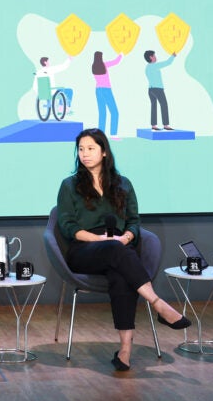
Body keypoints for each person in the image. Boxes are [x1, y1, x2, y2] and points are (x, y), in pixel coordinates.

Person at [56, 128, 190, 371]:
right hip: (85, 250)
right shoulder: (70, 185)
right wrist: (103, 242)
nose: (84, 154)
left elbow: (134, 222)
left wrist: (126, 238)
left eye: (91, 149)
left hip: (119, 248)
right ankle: (158, 303)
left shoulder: (123, 184)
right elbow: (67, 226)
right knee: (115, 253)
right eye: (81, 149)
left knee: (121, 275)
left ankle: (125, 351)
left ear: (104, 151)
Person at [91, 51, 122, 138]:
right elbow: (116, 61)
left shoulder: (93, 67)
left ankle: (101, 134)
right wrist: (121, 54)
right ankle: (113, 134)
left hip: (98, 90)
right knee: (114, 112)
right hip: (106, 90)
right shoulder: (104, 65)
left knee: (102, 113)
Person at [143, 50, 176, 130]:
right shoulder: (154, 66)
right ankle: (165, 125)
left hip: (150, 90)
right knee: (164, 105)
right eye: (154, 55)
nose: (156, 57)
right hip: (157, 89)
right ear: (151, 57)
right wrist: (173, 56)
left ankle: (153, 125)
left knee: (154, 106)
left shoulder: (147, 67)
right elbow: (167, 63)